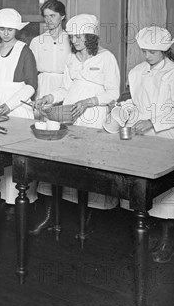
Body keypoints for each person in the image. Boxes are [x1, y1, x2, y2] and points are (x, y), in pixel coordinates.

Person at [32, 14, 120, 235]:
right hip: (70, 114)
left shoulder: (106, 58)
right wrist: (49, 98)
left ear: (91, 37)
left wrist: (88, 102)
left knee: (87, 167)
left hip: (94, 116)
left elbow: (113, 93)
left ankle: (85, 219)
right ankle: (52, 216)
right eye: (72, 37)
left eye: (79, 36)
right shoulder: (71, 59)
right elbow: (65, 89)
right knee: (59, 163)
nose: (74, 41)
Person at [110, 26, 174, 263]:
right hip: (142, 132)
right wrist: (126, 113)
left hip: (168, 132)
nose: (146, 56)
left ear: (164, 50)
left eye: (152, 52)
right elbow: (135, 102)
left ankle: (166, 238)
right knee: (142, 188)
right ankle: (147, 234)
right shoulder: (137, 72)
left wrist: (153, 122)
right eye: (144, 51)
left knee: (167, 191)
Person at [0, 8, 39, 218]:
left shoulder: (25, 51)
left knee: (16, 156)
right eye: (2, 29)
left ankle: (17, 201)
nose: (6, 33)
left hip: (18, 106)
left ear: (17, 30)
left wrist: (10, 105)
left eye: (10, 29)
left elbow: (31, 85)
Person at [29, 0, 72, 98]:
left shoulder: (71, 40)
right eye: (46, 16)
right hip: (43, 86)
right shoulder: (37, 41)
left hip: (65, 85)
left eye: (52, 16)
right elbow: (31, 71)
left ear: (62, 16)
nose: (48, 20)